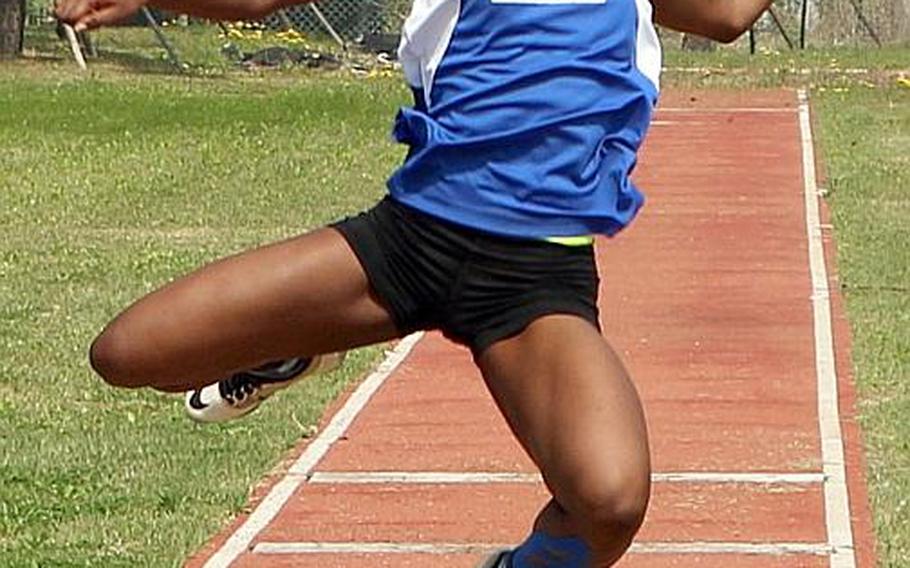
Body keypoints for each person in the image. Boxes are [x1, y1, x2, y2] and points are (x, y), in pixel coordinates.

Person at [56, 0, 771, 565]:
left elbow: (728, 13)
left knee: (609, 501)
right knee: (129, 354)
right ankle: (300, 344)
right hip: (410, 241)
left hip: (533, 281)